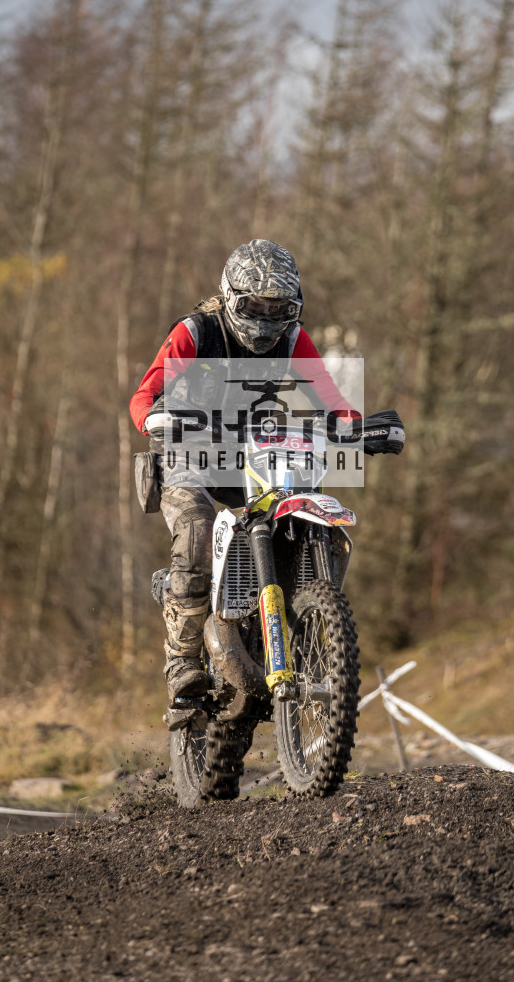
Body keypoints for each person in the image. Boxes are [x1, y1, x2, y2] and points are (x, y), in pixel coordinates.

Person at [130, 239, 356, 708]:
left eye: (280, 309)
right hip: (187, 447)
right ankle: (183, 663)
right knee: (196, 528)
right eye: (256, 306)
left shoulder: (294, 339)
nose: (267, 320)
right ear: (231, 297)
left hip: (253, 449)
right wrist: (155, 416)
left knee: (296, 511)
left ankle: (298, 623)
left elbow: (329, 398)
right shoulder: (196, 331)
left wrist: (356, 426)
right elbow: (145, 393)